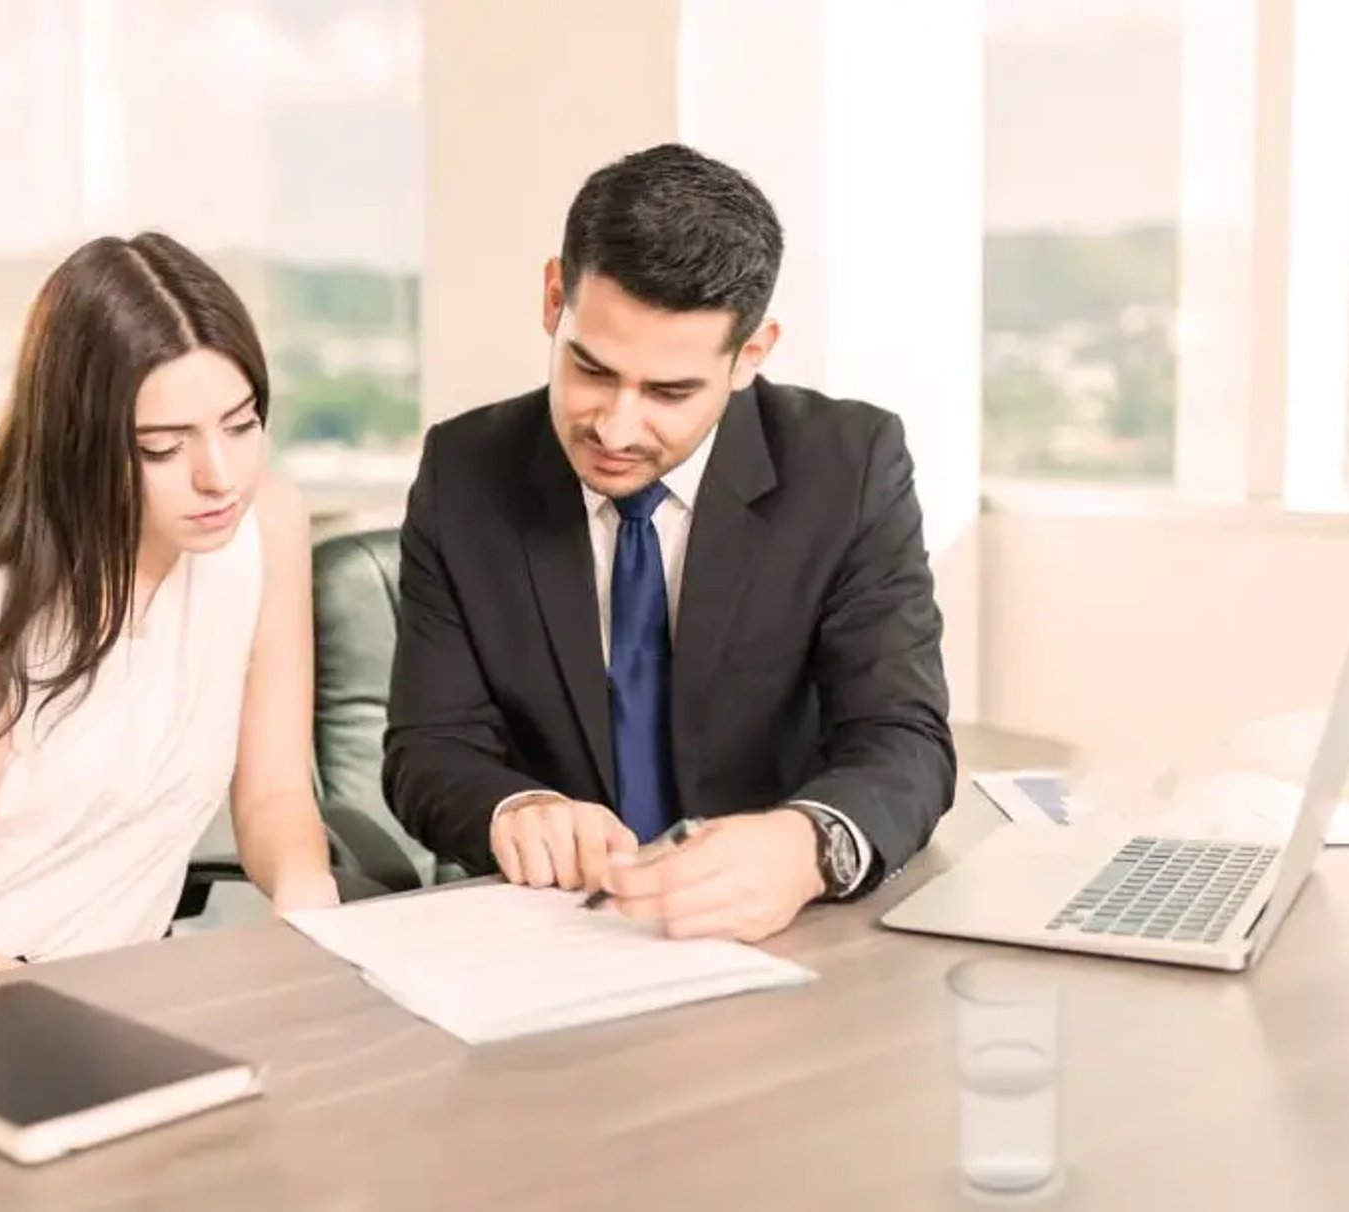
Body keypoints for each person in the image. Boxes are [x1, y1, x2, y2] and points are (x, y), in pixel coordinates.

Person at [383, 143, 955, 944]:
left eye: (670, 392)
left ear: (750, 355)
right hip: (561, 939)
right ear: (555, 297)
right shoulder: (464, 471)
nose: (615, 428)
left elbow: (905, 737)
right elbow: (429, 747)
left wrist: (807, 846)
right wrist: (517, 808)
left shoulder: (848, 466)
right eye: (590, 369)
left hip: (786, 937)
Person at [0, 232, 346, 1009]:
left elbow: (274, 791)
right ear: (80, 445)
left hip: (108, 996)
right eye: (163, 446)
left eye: (240, 425)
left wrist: (306, 893)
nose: (220, 476)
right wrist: (133, 1020)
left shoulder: (267, 529)